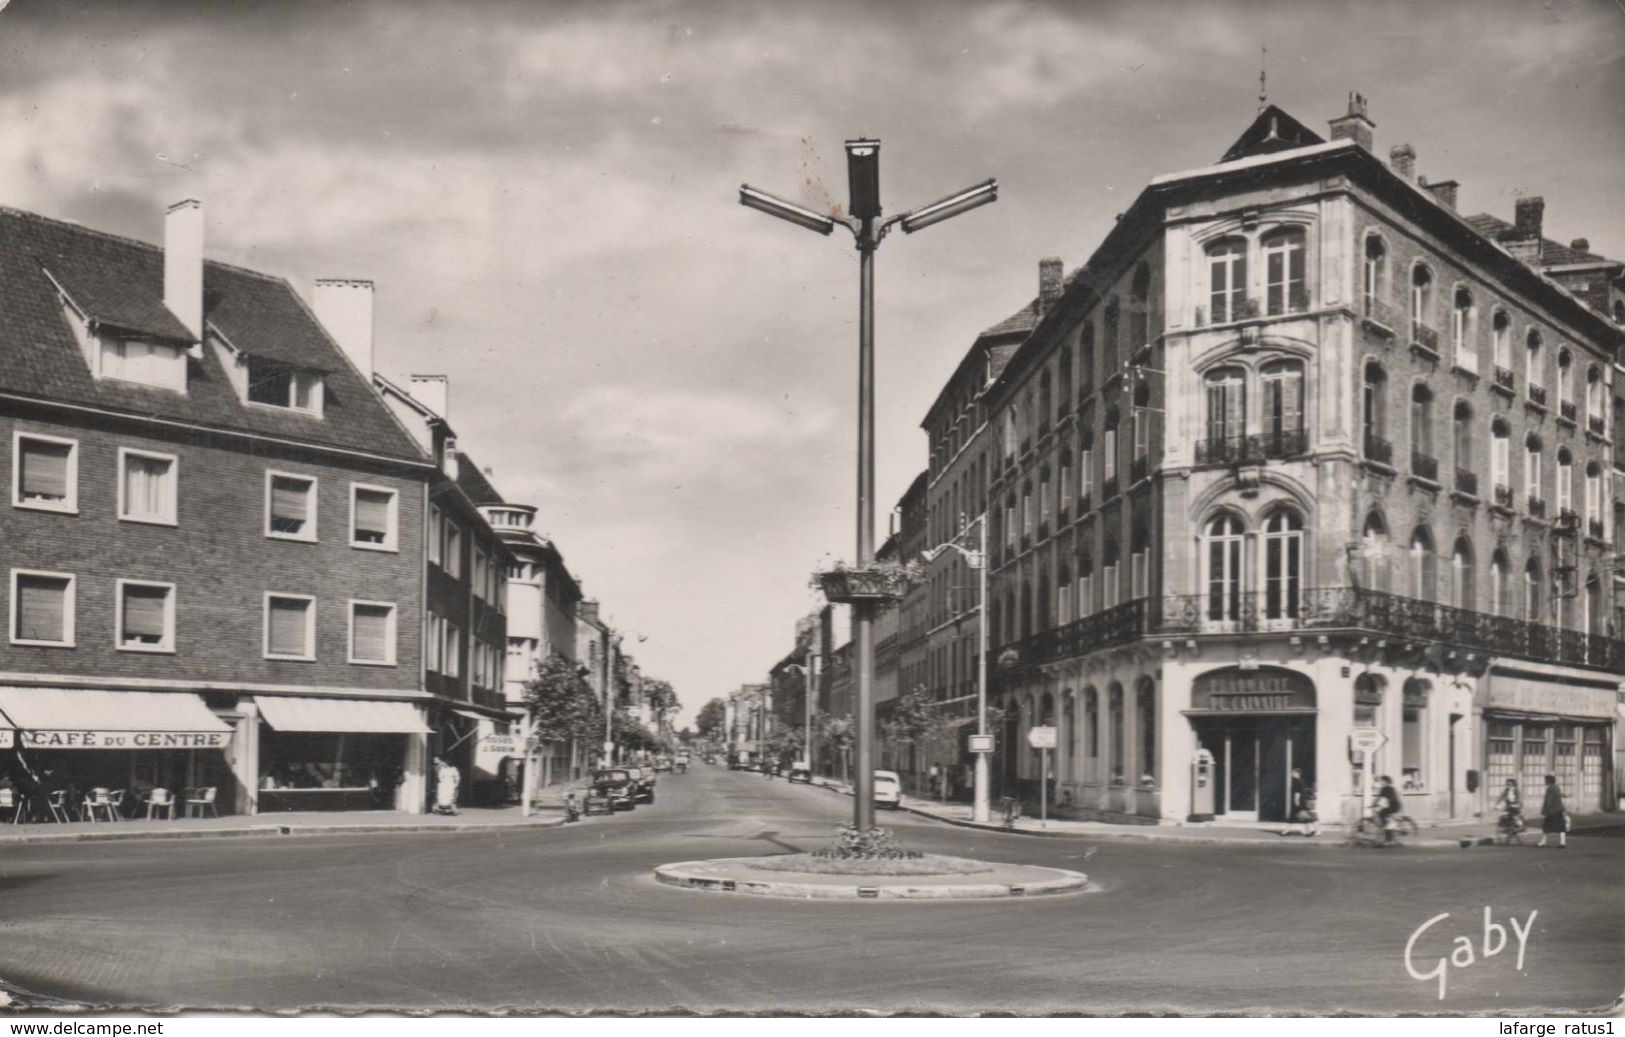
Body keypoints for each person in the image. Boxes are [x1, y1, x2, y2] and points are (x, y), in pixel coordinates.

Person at [1535, 773, 1567, 849]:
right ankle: (1563, 842)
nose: (1545, 782)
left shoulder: (1549, 789)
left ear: (1548, 781)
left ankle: (1543, 841)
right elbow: (1560, 796)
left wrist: (1546, 810)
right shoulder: (1557, 787)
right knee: (1561, 826)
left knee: (1546, 826)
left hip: (1552, 811)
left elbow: (1549, 800)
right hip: (1559, 809)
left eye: (1545, 780)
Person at [1374, 774, 1402, 846]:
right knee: (1385, 815)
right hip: (1396, 805)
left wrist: (1373, 804)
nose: (1381, 782)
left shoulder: (1385, 788)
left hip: (1393, 806)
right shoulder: (1391, 788)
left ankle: (1388, 838)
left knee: (1381, 814)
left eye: (1382, 781)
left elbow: (1379, 797)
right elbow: (1384, 798)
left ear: (1385, 781)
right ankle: (1391, 828)